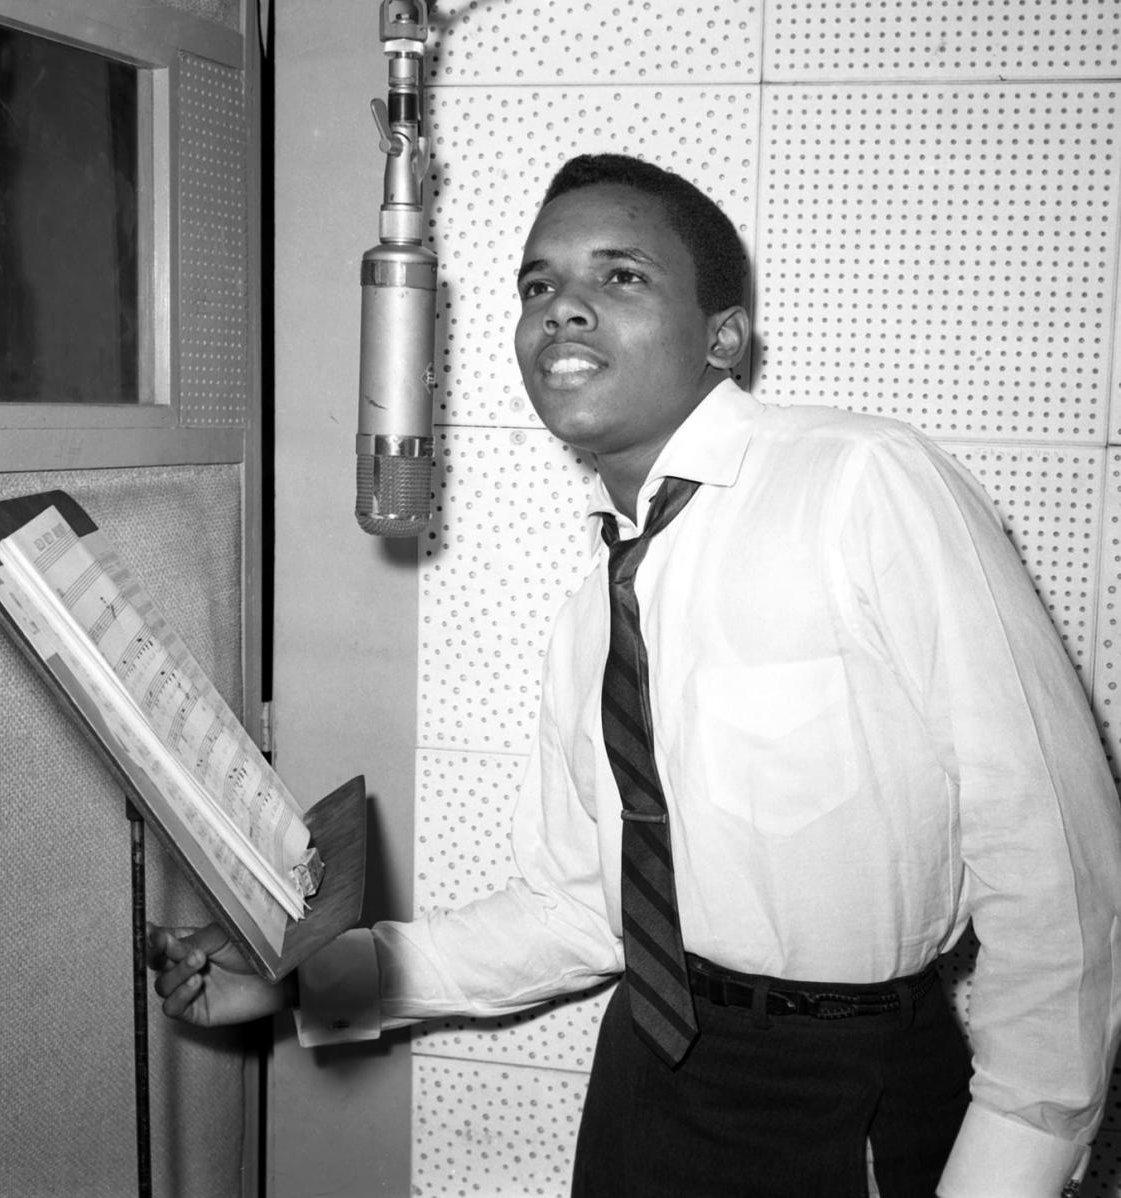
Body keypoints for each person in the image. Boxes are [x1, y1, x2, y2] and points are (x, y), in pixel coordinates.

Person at [150, 153, 1121, 1197]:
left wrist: (1016, 1165)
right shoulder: (592, 617)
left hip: (848, 1097)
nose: (562, 306)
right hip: (644, 1090)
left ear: (724, 336)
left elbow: (1060, 868)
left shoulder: (866, 484)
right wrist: (301, 990)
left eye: (620, 276)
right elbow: (572, 915)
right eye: (539, 284)